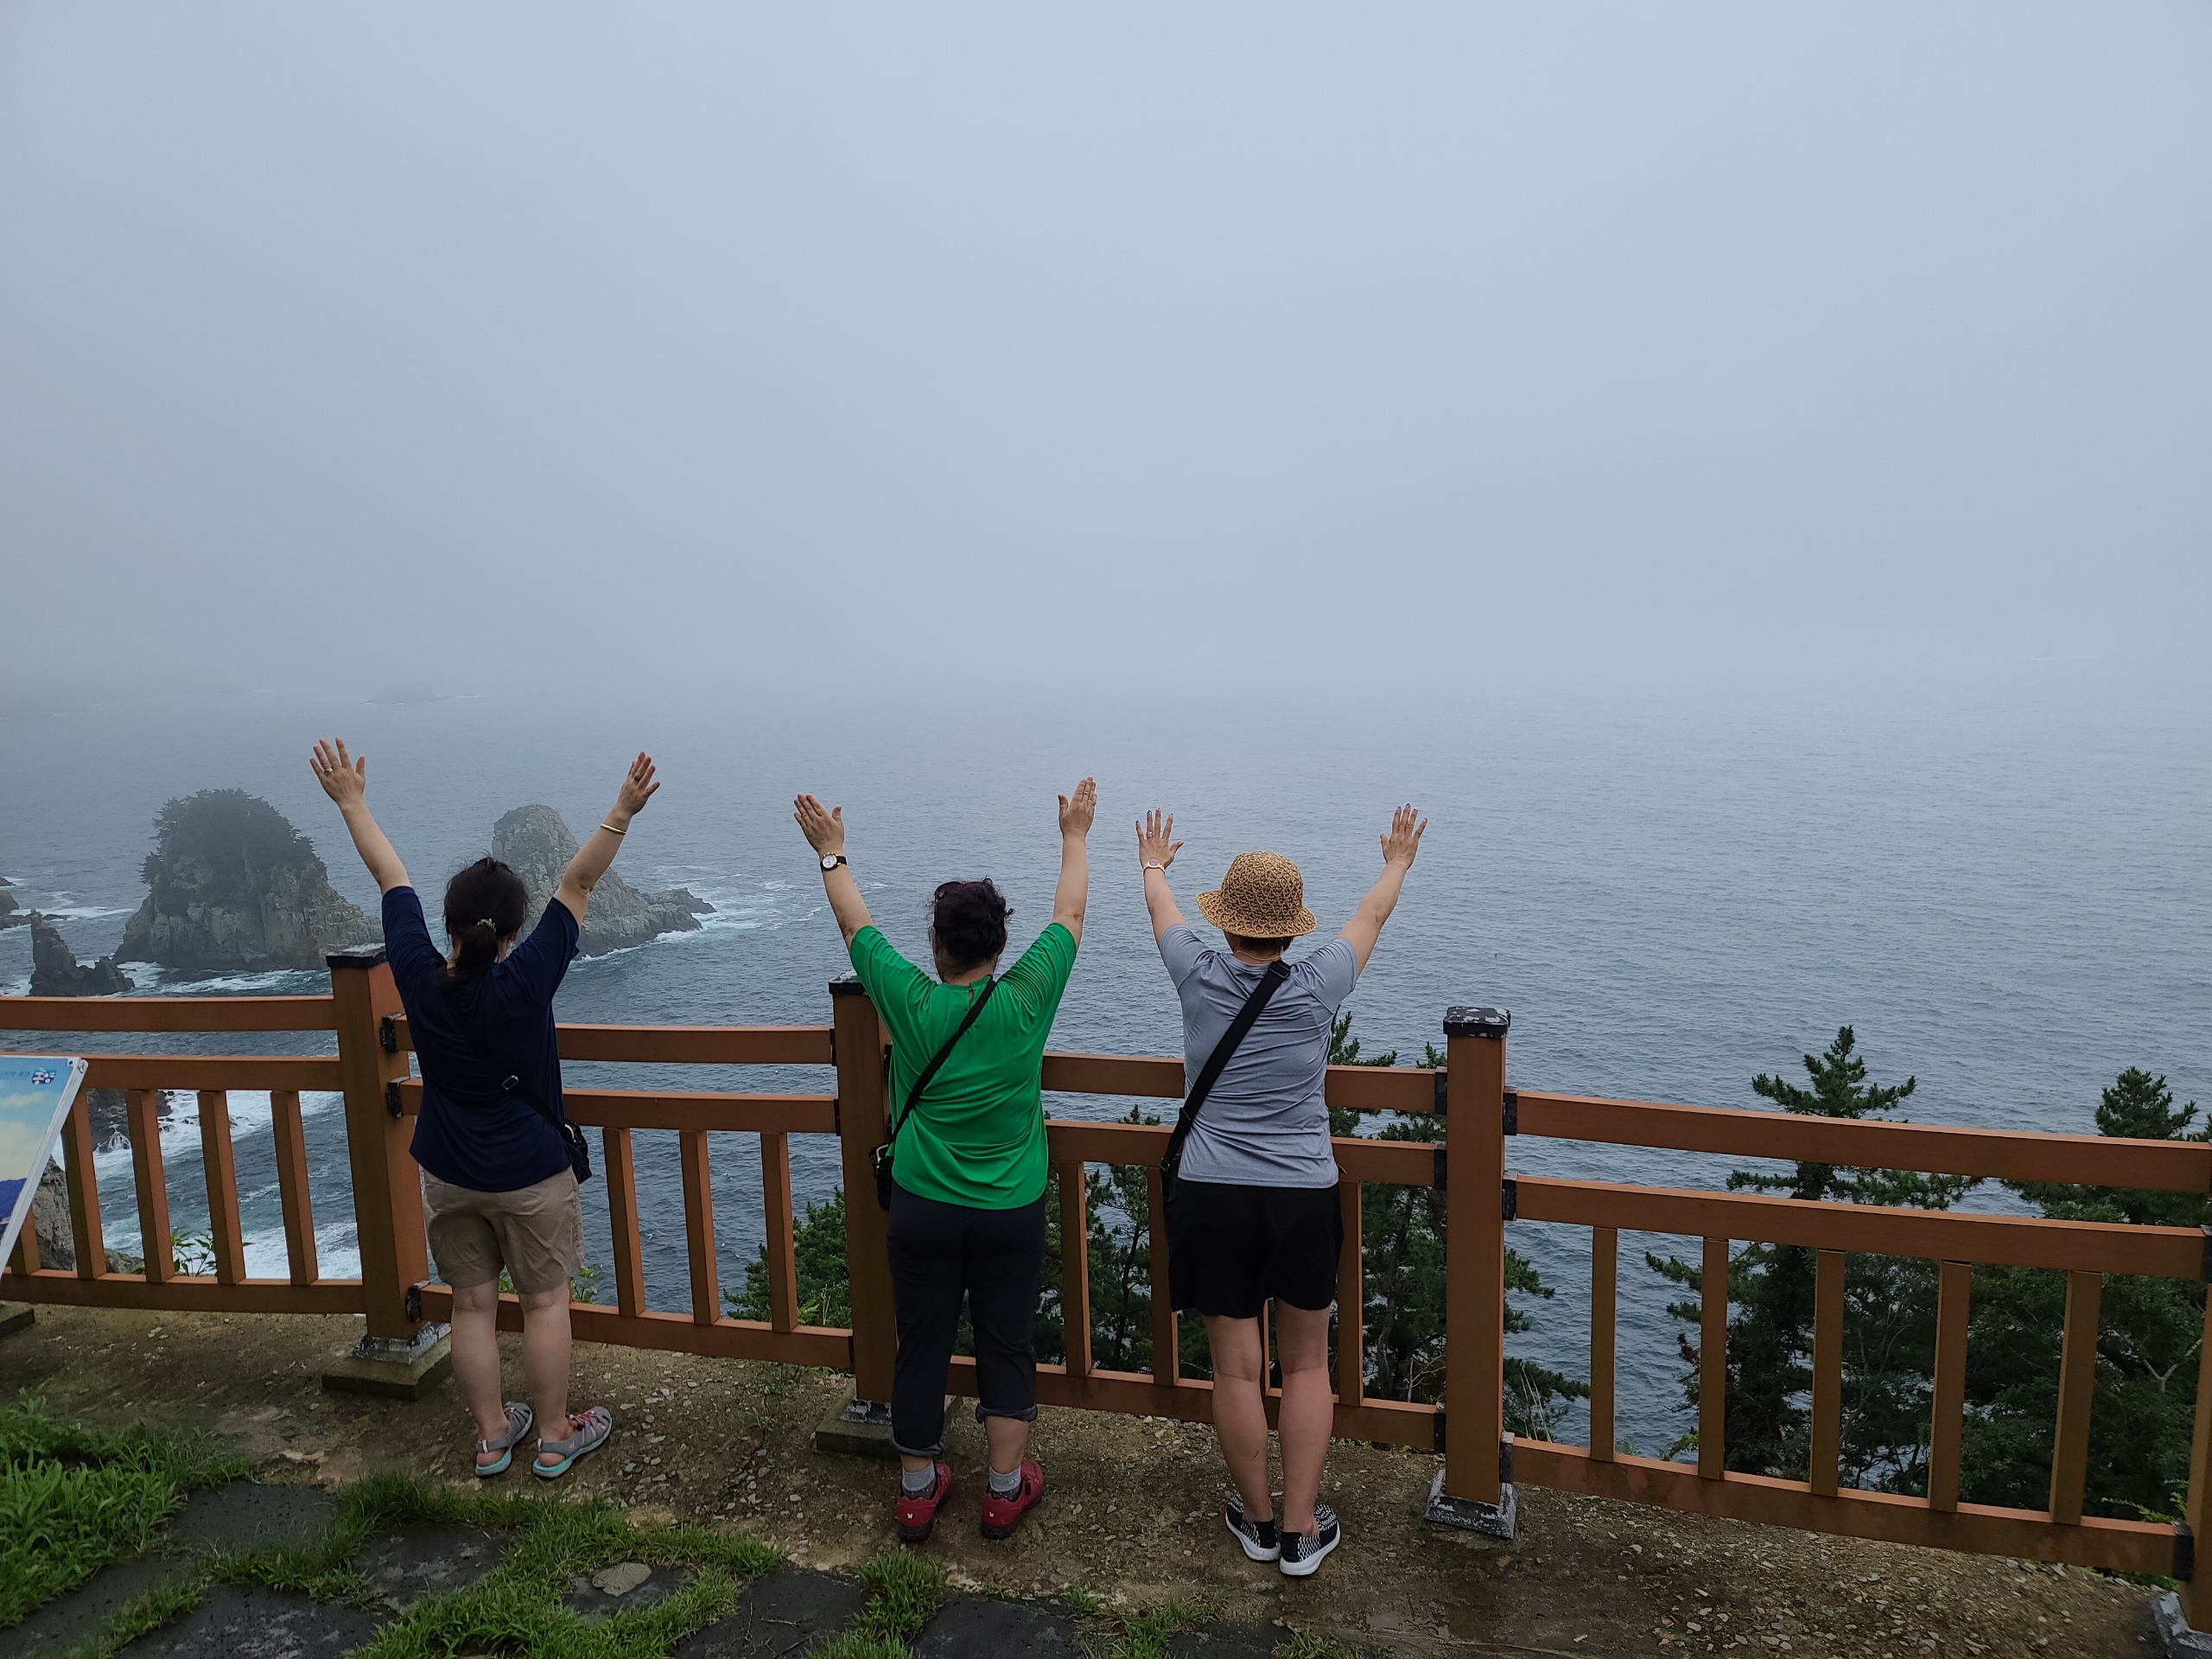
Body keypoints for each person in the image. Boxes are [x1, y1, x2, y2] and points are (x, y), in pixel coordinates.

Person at [310, 737, 661, 1480]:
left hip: (448, 1166)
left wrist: (351, 802)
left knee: (469, 1308)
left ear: (448, 925)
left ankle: (492, 1436)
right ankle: (558, 1435)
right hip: (531, 1169)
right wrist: (623, 809)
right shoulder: (528, 976)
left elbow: (388, 873)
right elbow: (579, 880)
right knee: (543, 1304)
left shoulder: (413, 971)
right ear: (510, 932)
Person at [793, 778, 1096, 1543]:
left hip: (924, 1204)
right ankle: (1002, 1491)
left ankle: (919, 1492)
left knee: (922, 1339)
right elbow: (1069, 914)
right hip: (1011, 1207)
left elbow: (853, 922)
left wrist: (832, 853)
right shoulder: (1026, 999)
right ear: (999, 945)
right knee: (1006, 1341)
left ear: (937, 944)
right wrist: (1075, 835)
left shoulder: (911, 1002)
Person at [1135, 804, 1427, 1577]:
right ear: (1292, 928)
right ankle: (1301, 1532)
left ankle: (1257, 1522)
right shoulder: (1320, 983)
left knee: (1235, 1368)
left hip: (1213, 1191)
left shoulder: (1196, 973)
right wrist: (1396, 858)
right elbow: (1371, 913)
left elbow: (1161, 909)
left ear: (1225, 922)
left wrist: (1154, 863)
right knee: (1304, 1366)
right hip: (1301, 1193)